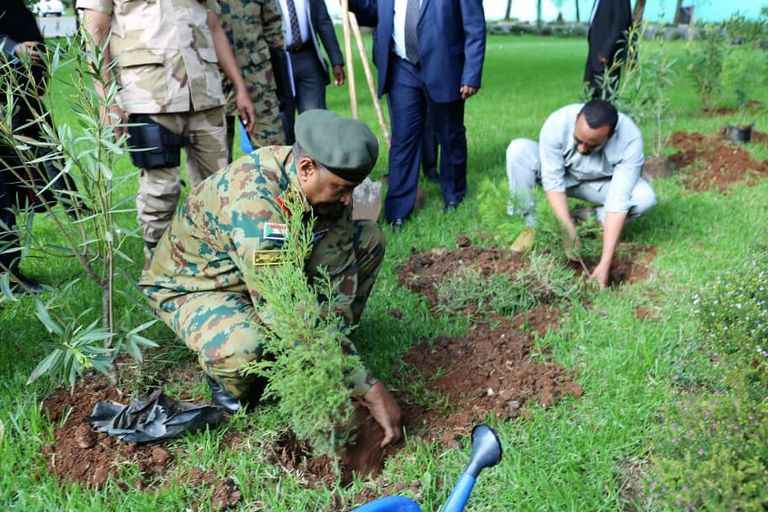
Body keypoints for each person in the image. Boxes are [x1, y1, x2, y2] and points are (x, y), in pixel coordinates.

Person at [139, 110, 402, 446]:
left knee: (368, 239)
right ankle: (228, 383)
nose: (348, 198)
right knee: (247, 346)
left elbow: (334, 272)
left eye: (352, 188)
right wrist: (369, 387)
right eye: (341, 188)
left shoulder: (327, 186)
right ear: (306, 168)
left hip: (257, 271)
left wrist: (336, 364)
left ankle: (314, 353)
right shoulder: (255, 200)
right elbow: (283, 305)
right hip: (196, 286)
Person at [77, 0, 256, 256]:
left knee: (218, 188)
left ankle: (214, 263)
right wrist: (107, 100)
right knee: (161, 190)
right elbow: (95, 27)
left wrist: (240, 88)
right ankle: (158, 267)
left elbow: (213, 26)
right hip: (149, 95)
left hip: (205, 92)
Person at [348, 0, 486, 227]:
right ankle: (397, 211)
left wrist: (471, 74)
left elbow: (475, 26)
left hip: (445, 67)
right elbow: (373, 12)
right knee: (403, 140)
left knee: (450, 135)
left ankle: (454, 195)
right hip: (401, 67)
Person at [505, 100, 656, 288]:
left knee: (645, 198)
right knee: (518, 151)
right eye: (578, 140)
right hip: (565, 177)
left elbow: (618, 201)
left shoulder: (630, 140)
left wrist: (605, 263)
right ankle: (531, 226)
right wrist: (566, 228)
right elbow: (553, 180)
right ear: (576, 119)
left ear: (611, 135)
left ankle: (589, 219)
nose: (582, 149)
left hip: (601, 185)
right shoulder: (557, 122)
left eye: (592, 145)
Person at [0, 0, 57, 294]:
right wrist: (12, 48)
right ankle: (6, 275)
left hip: (17, 102)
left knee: (8, 191)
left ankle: (7, 271)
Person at [216, 0, 286, 161]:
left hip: (258, 80)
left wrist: (275, 66)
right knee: (214, 162)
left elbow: (273, 24)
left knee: (274, 155)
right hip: (214, 80)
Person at [277, 0, 345, 144]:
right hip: (279, 62)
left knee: (316, 122)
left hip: (309, 58)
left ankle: (316, 156)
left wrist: (336, 61)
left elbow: (323, 21)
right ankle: (287, 157)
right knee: (282, 125)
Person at [585, 0, 632, 98]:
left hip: (607, 56)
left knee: (606, 97)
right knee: (592, 96)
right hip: (594, 51)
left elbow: (620, 23)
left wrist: (606, 51)